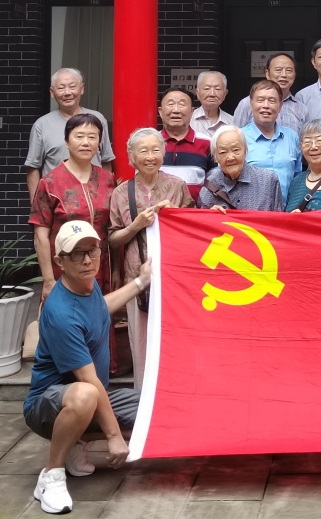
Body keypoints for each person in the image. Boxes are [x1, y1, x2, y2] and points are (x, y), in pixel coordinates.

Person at [25, 220, 150, 515]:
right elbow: (89, 381)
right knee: (86, 394)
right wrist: (113, 436)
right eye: (76, 254)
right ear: (60, 262)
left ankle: (73, 442)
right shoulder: (61, 314)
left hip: (88, 396)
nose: (87, 260)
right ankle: (51, 476)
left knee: (154, 410)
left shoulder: (86, 284)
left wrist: (141, 282)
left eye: (92, 251)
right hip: (47, 407)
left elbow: (99, 309)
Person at [107, 128, 189, 390]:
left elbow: (193, 229)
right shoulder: (121, 193)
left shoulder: (177, 186)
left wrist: (176, 216)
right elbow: (113, 239)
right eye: (143, 151)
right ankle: (143, 399)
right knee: (141, 343)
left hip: (173, 279)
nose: (150, 156)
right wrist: (136, 225)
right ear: (132, 156)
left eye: (156, 150)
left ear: (163, 153)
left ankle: (173, 393)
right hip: (137, 278)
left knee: (173, 341)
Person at [30, 113, 117, 306]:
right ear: (67, 142)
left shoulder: (108, 180)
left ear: (99, 144)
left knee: (100, 317)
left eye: (92, 137)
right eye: (79, 136)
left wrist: (117, 270)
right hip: (65, 269)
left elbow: (114, 229)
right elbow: (41, 236)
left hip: (101, 268)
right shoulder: (50, 183)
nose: (86, 142)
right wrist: (48, 279)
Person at [26, 68, 114, 203]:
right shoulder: (42, 125)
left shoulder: (97, 119)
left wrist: (108, 196)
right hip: (57, 198)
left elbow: (106, 160)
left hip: (94, 197)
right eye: (61, 88)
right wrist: (36, 203)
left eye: (72, 87)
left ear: (82, 89)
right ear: (52, 92)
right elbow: (33, 167)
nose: (67, 93)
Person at [198, 127, 285, 212]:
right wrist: (210, 216)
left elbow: (279, 220)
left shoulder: (269, 181)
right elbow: (201, 220)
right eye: (223, 152)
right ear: (216, 157)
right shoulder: (209, 187)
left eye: (236, 150)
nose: (230, 157)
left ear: (245, 151)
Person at [241, 79, 302, 196]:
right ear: (251, 104)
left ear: (280, 106)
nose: (266, 106)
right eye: (260, 100)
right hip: (250, 206)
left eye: (272, 101)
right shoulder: (239, 137)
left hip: (287, 206)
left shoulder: (291, 136)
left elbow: (297, 178)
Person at [158, 86, 212, 203]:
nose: (176, 110)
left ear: (192, 112)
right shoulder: (150, 142)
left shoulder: (208, 143)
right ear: (160, 112)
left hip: (194, 212)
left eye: (182, 104)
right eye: (170, 104)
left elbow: (215, 182)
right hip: (157, 212)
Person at [233, 52, 306, 131]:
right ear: (267, 74)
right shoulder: (247, 104)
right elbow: (236, 134)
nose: (284, 75)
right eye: (278, 70)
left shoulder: (301, 108)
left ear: (294, 75)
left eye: (289, 70)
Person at [191, 71, 235, 142]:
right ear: (197, 93)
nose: (212, 94)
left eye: (217, 89)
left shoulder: (233, 122)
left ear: (225, 94)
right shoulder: (188, 120)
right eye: (206, 88)